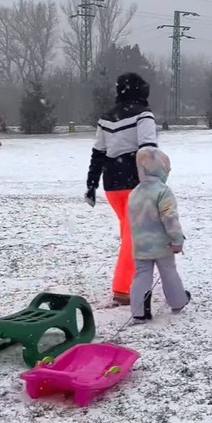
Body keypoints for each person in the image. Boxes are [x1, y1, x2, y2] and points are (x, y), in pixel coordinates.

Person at [84, 72, 158, 305]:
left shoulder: (106, 117)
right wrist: (153, 180)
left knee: (128, 230)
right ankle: (123, 288)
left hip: (111, 182)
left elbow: (98, 153)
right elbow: (147, 149)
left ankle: (131, 283)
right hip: (134, 180)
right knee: (132, 235)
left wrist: (91, 183)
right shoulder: (143, 116)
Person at [127, 147, 190, 321]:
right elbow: (169, 218)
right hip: (162, 244)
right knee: (169, 272)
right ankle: (178, 301)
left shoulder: (134, 193)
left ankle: (139, 311)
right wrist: (177, 240)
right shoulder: (163, 191)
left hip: (140, 244)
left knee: (141, 276)